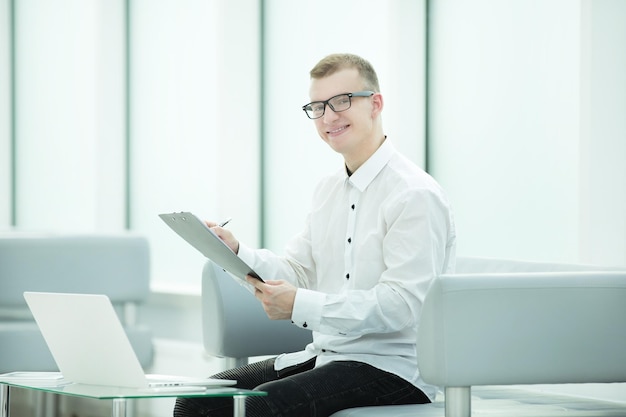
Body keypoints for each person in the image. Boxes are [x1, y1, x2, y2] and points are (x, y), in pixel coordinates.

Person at [174, 53, 456, 417]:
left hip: (395, 369)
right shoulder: (328, 190)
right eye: (318, 106)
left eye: (342, 101)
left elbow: (401, 306)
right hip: (327, 356)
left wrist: (300, 304)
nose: (329, 116)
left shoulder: (414, 194)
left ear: (375, 104)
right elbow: (297, 272)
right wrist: (235, 251)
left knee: (261, 405)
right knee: (198, 401)